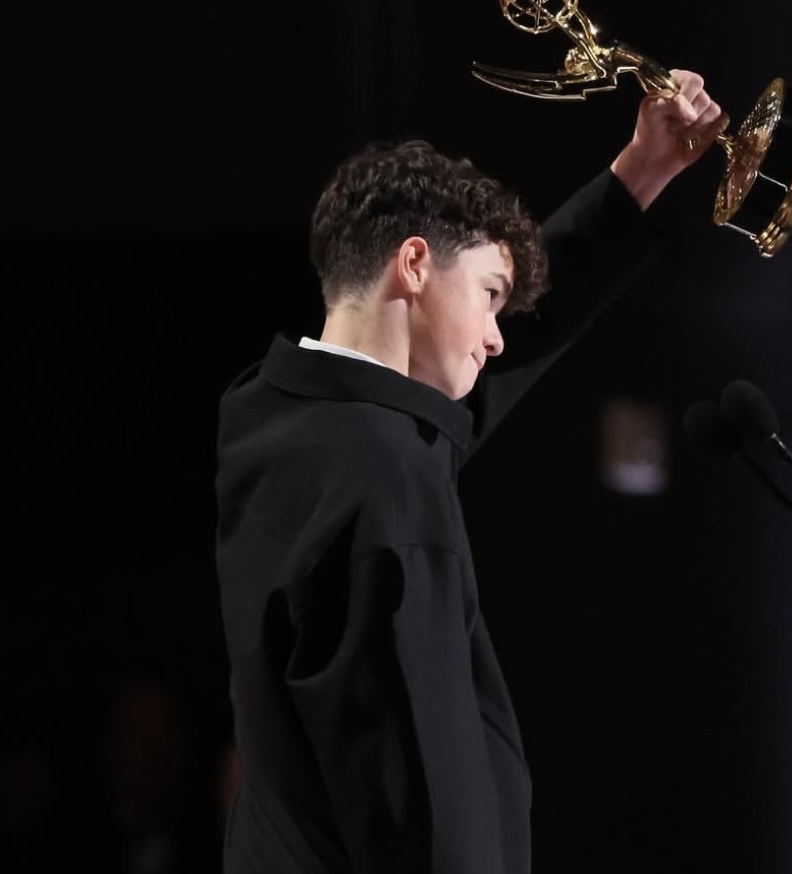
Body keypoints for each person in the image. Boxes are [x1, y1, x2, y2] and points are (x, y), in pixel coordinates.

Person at [214, 69, 723, 873]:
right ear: (414, 264)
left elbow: (499, 362)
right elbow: (423, 786)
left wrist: (641, 174)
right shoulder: (386, 477)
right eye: (490, 295)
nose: (495, 335)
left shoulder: (275, 413)